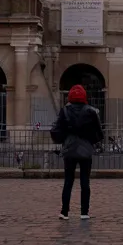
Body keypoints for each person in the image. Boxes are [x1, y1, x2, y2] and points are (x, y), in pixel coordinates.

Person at [50, 84, 104, 220]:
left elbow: (56, 130)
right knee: (85, 182)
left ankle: (64, 212)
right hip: (86, 148)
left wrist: (64, 139)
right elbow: (99, 133)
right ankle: (84, 212)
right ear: (84, 96)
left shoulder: (65, 111)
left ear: (70, 97)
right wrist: (90, 140)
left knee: (68, 181)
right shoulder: (91, 111)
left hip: (69, 148)